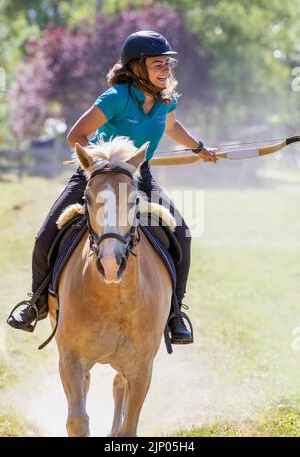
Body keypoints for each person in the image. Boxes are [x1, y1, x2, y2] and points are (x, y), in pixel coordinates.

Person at [7, 30, 216, 343]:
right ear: (136, 68)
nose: (165, 70)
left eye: (167, 64)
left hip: (139, 176)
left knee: (182, 234)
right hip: (97, 174)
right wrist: (101, 164)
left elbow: (171, 127)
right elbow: (75, 136)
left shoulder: (165, 101)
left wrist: (198, 147)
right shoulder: (116, 98)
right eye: (157, 64)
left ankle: (174, 314)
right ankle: (35, 304)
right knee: (45, 235)